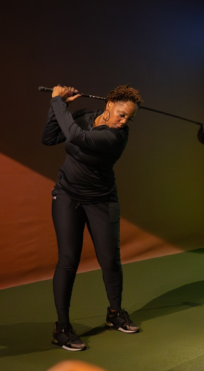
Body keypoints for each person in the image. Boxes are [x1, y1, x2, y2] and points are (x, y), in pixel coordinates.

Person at [42, 83, 142, 351]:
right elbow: (50, 137)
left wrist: (58, 102)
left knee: (110, 259)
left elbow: (77, 139)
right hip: (67, 195)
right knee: (68, 260)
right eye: (121, 114)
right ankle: (61, 328)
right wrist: (61, 107)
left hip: (102, 200)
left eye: (128, 118)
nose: (123, 122)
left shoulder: (116, 137)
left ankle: (115, 313)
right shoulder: (85, 116)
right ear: (109, 105)